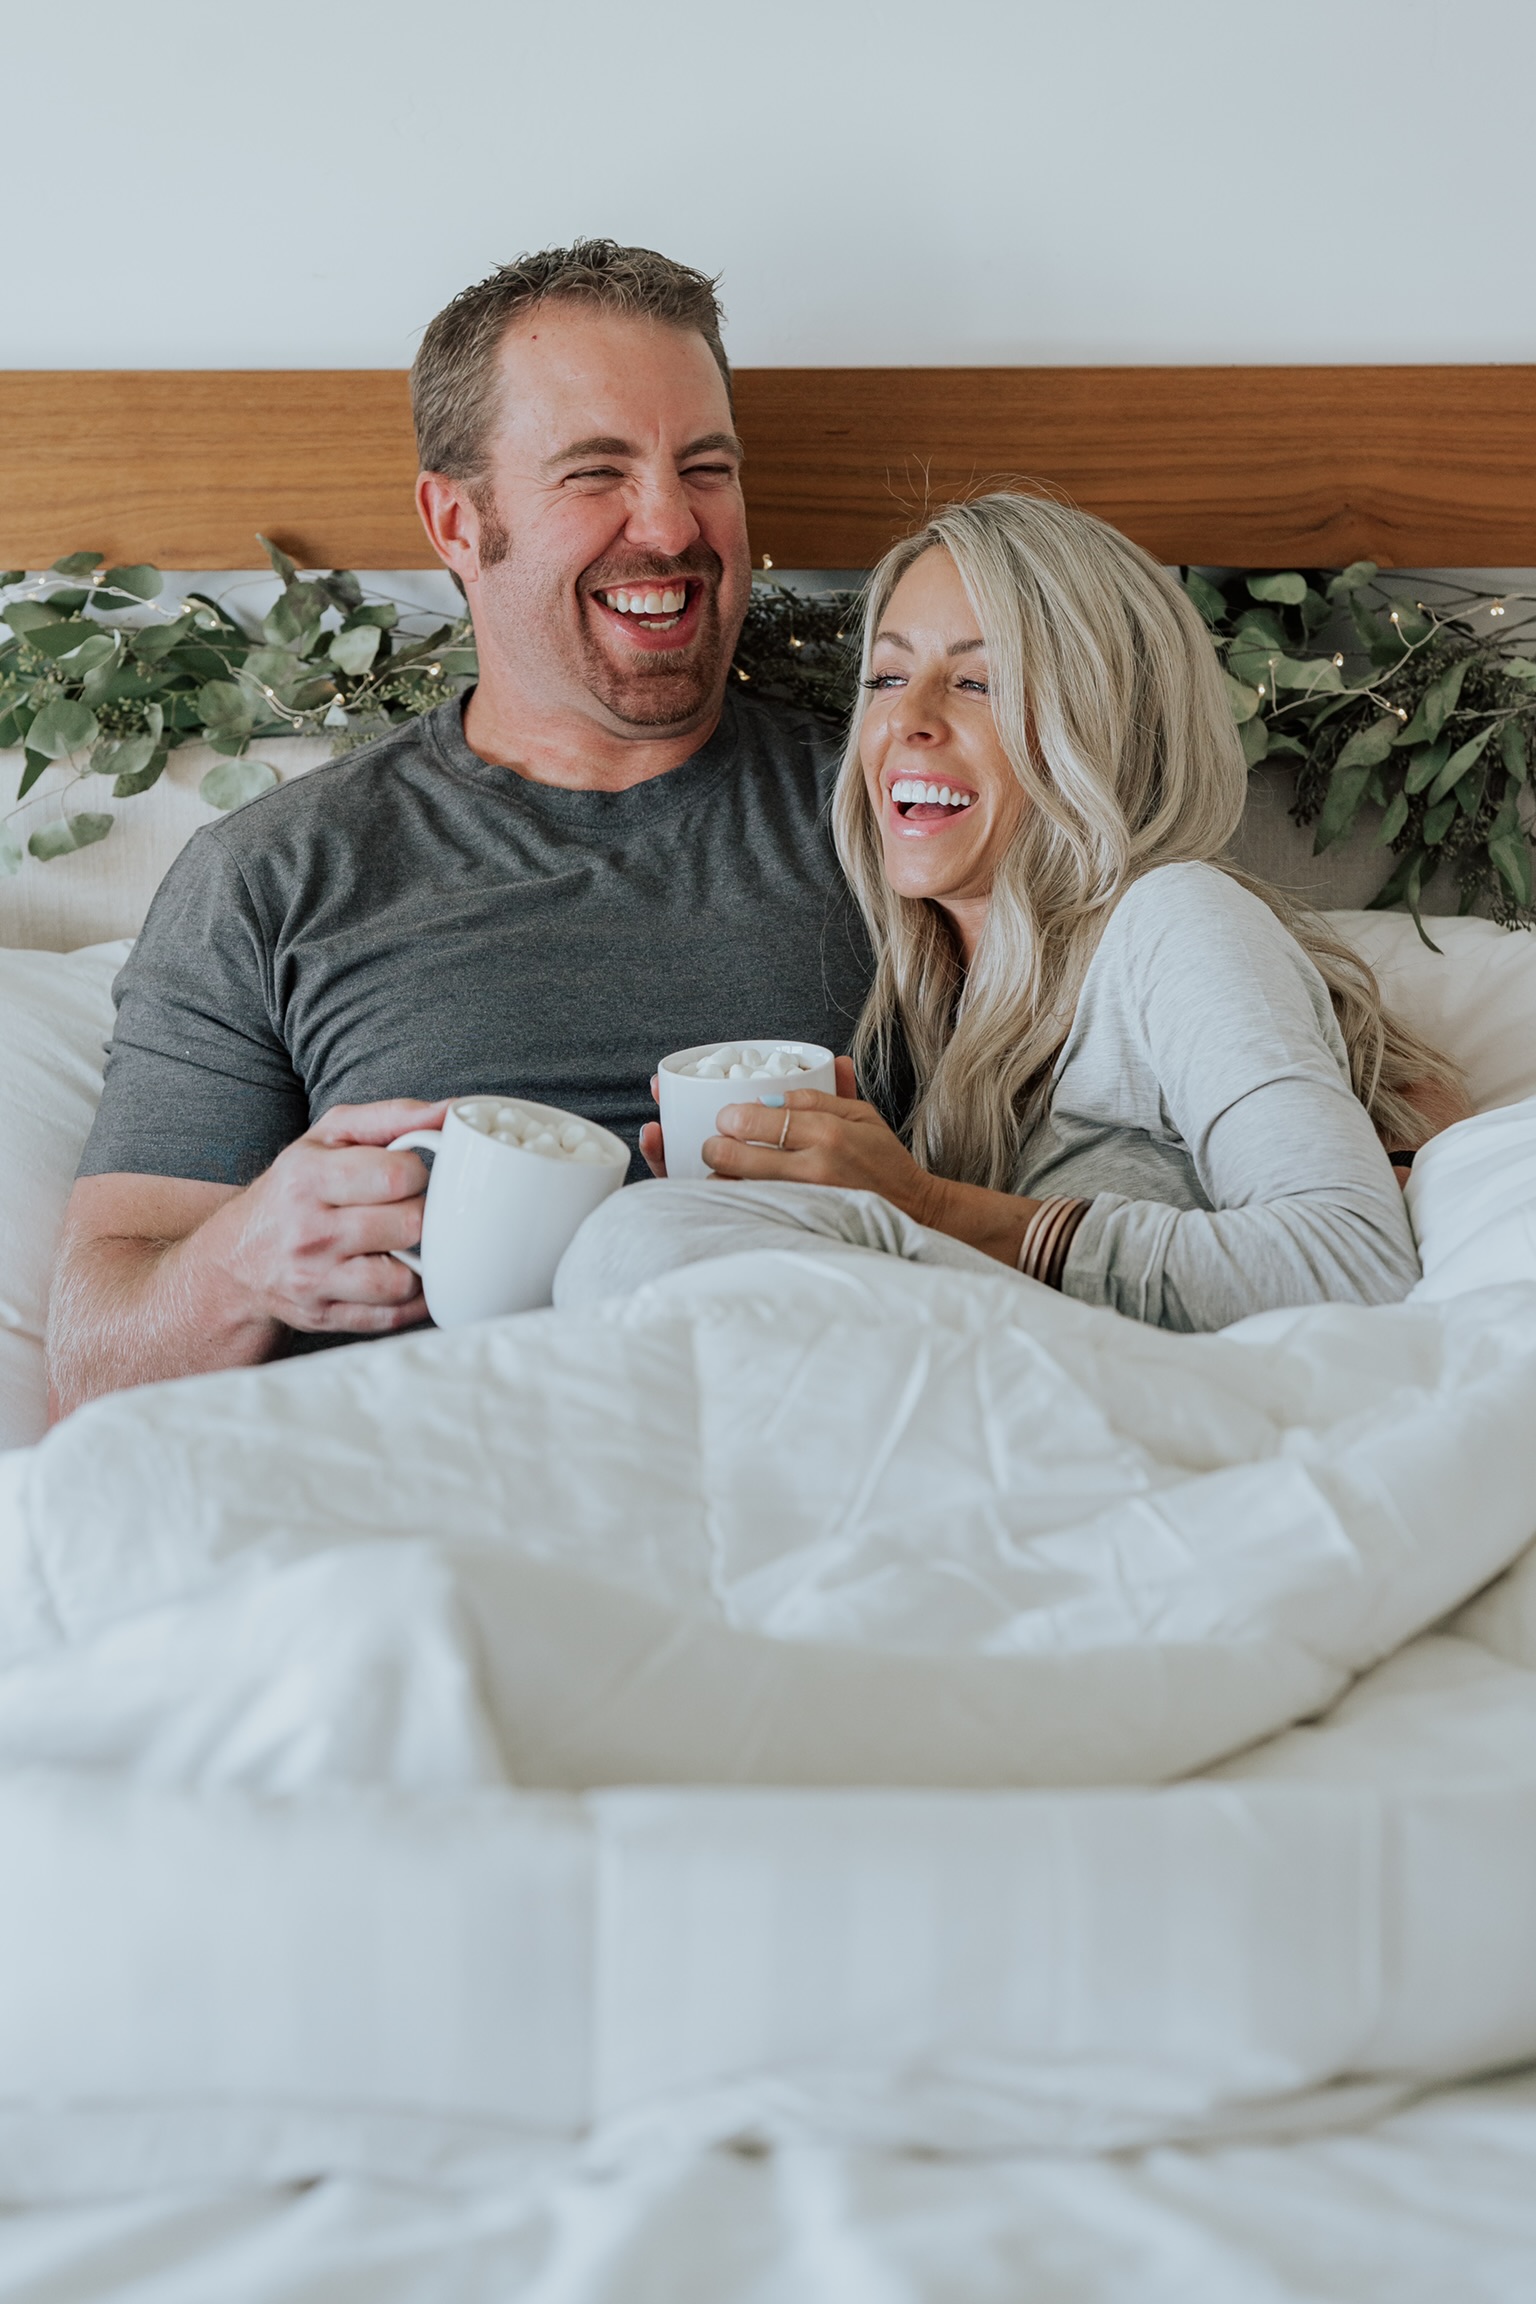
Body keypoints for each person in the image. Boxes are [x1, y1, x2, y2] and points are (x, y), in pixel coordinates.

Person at [46, 242, 870, 1415]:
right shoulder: (272, 876)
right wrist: (242, 1262)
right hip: (425, 1474)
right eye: (595, 472)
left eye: (707, 467)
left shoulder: (890, 818)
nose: (672, 524)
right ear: (456, 520)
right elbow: (91, 1374)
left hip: (812, 1439)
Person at [556, 495, 1465, 1333]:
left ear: (1103, 726)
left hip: (1128, 1415)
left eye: (979, 684)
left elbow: (1354, 1257)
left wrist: (921, 1207)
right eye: (886, 677)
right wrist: (797, 1207)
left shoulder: (1174, 921)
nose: (907, 720)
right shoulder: (934, 1003)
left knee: (636, 1241)